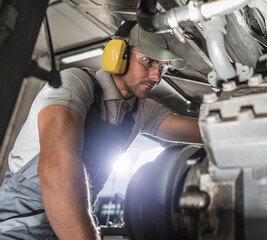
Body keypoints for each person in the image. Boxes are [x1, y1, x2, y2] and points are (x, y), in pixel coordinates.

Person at [0, 21, 202, 240]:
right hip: (17, 231)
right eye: (149, 61)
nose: (156, 77)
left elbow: (203, 132)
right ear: (118, 54)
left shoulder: (139, 110)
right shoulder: (75, 83)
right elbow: (57, 165)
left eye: (162, 68)